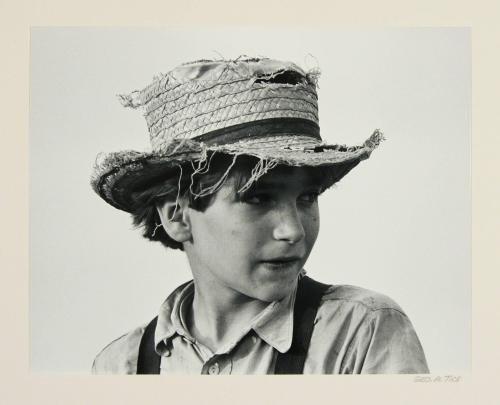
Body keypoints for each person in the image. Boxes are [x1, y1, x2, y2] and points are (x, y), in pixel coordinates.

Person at [91, 57, 429, 374]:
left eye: (307, 197)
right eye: (258, 197)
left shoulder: (359, 333)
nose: (292, 231)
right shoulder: (123, 366)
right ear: (177, 217)